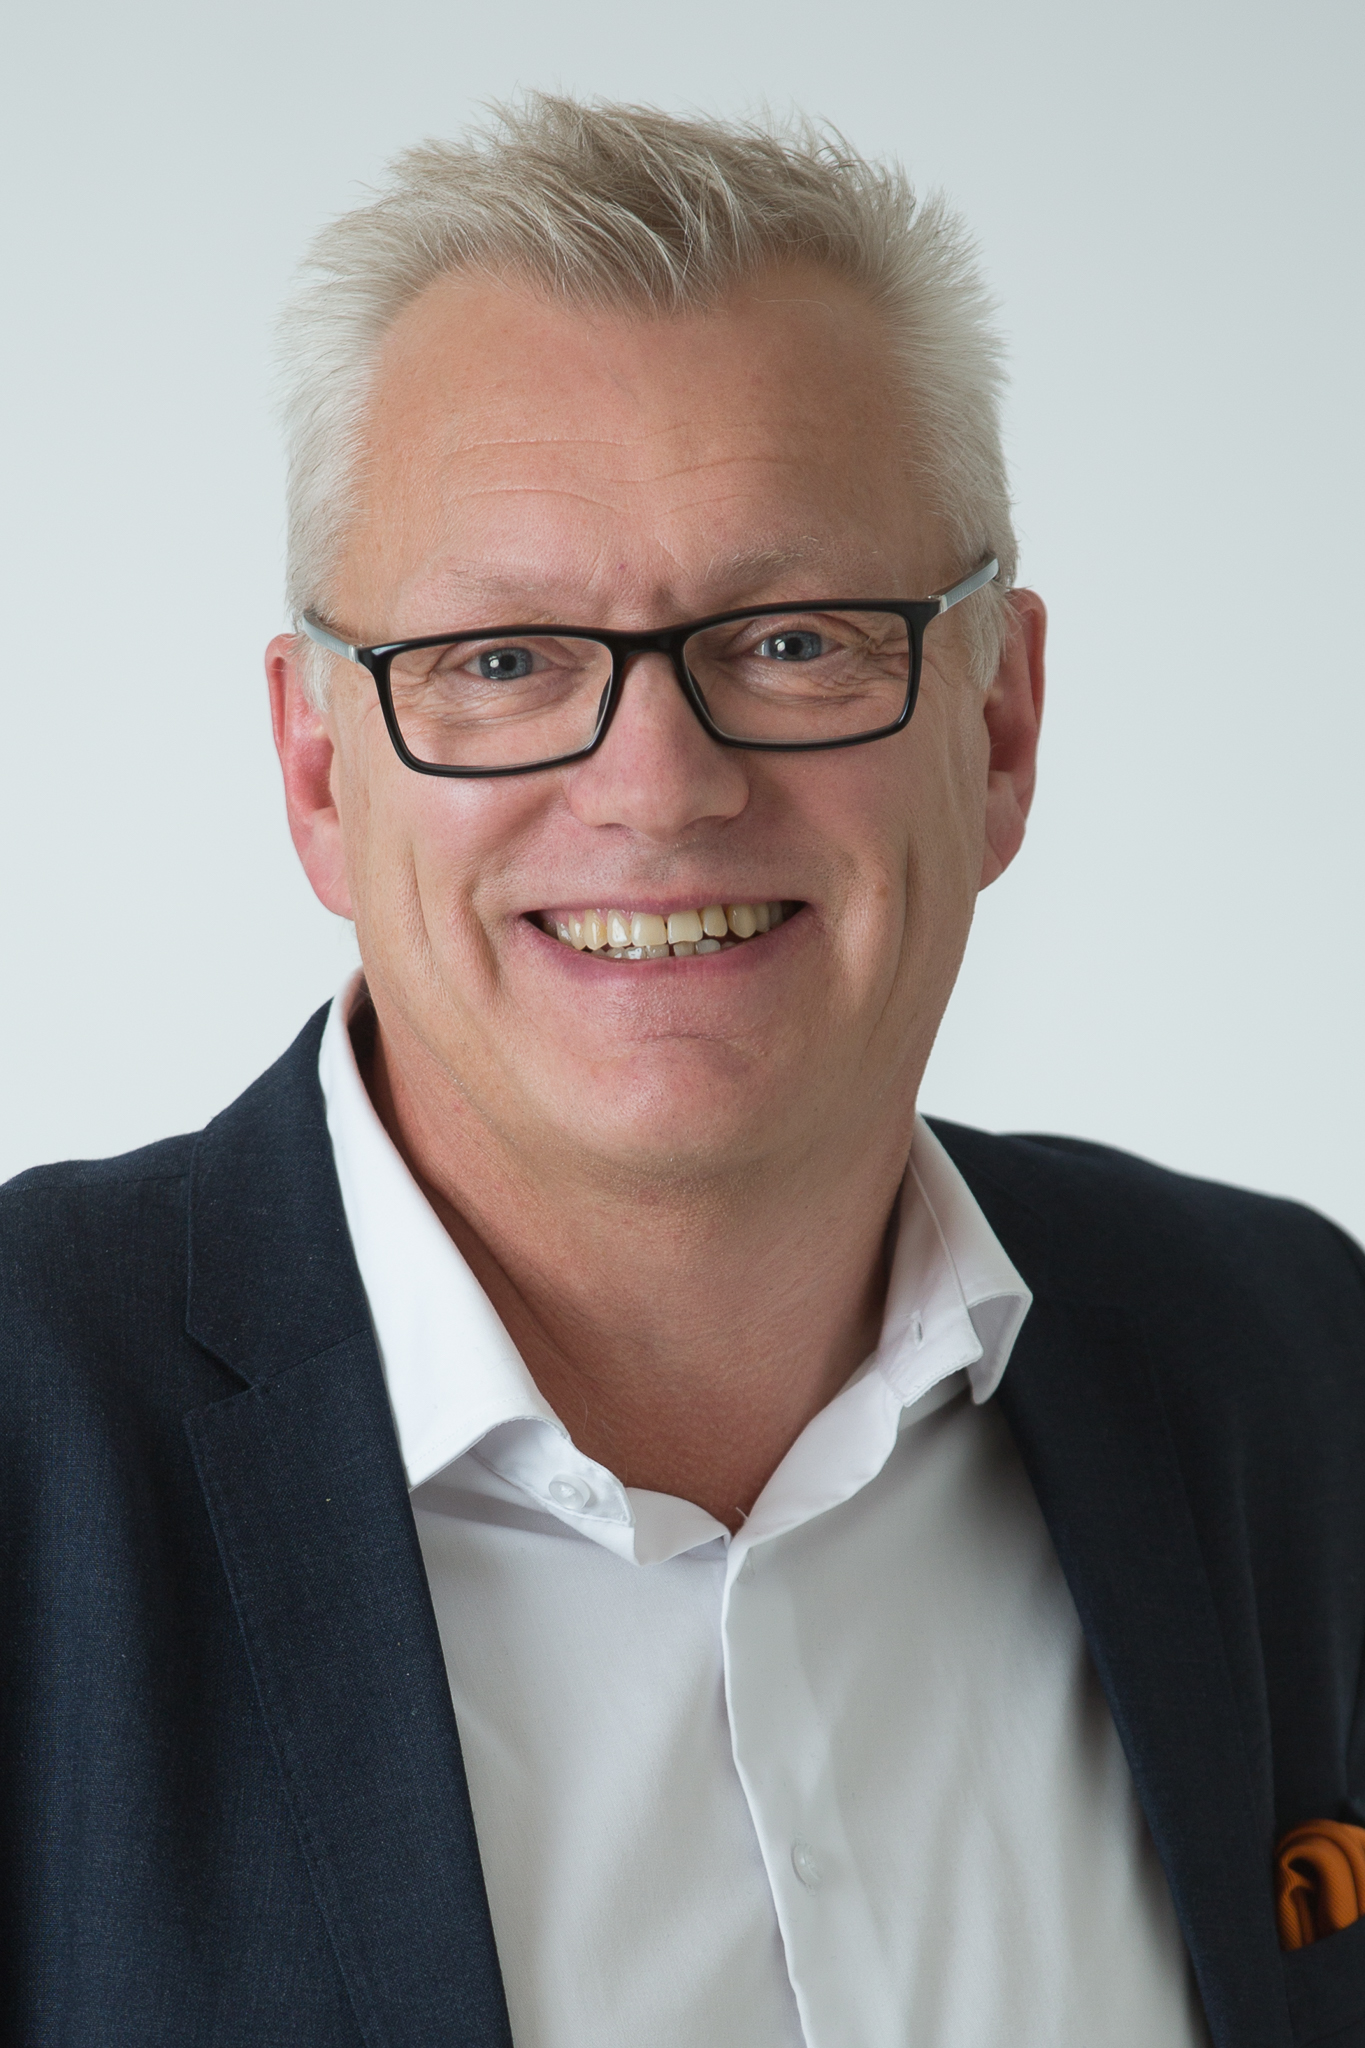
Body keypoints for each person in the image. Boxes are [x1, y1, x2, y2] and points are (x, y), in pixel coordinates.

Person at [2, 95, 1363, 2048]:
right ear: (315, 771)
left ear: (998, 728)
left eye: (795, 639)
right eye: (501, 661)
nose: (657, 786)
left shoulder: (1291, 1365)